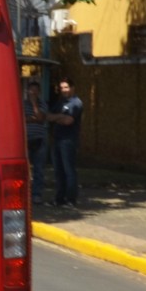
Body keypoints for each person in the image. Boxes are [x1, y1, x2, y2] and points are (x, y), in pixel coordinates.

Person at [46, 78, 83, 208]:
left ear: (72, 88)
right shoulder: (61, 102)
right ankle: (59, 199)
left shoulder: (76, 103)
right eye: (61, 88)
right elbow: (48, 116)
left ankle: (71, 200)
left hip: (68, 140)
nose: (64, 90)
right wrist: (60, 117)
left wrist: (57, 118)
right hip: (57, 139)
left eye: (66, 87)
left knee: (69, 170)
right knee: (58, 171)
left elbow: (68, 121)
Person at [24, 80, 48, 204]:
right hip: (26, 140)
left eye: (35, 90)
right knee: (25, 169)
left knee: (38, 169)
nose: (33, 93)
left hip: (39, 140)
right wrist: (33, 119)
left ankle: (37, 194)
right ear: (27, 91)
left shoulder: (42, 104)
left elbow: (40, 117)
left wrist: (34, 105)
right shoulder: (22, 103)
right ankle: (26, 194)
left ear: (39, 92)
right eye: (31, 90)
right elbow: (21, 119)